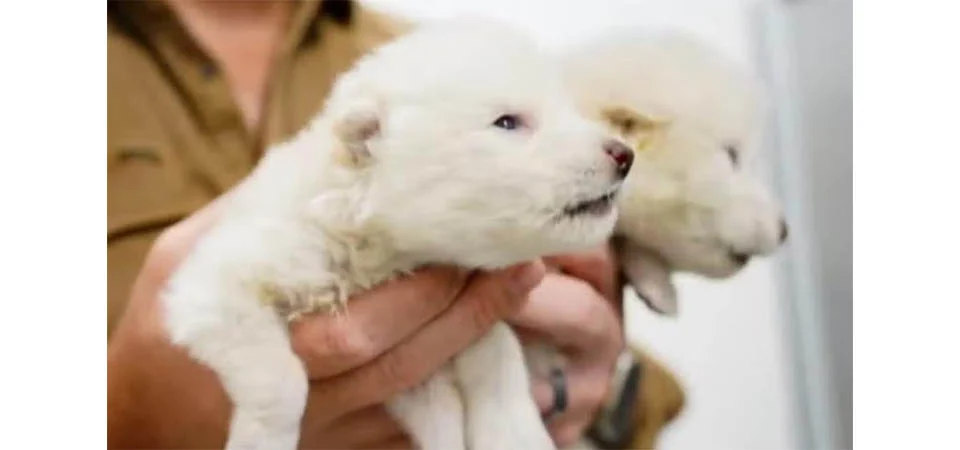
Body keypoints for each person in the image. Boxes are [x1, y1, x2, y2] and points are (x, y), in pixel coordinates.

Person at [108, 1, 673, 448]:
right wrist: (122, 424)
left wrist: (596, 392)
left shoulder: (425, 53)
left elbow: (618, 383)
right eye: (510, 123)